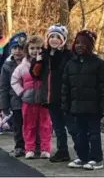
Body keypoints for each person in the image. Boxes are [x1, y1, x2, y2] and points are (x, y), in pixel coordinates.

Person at [30, 25, 77, 162]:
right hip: (50, 97)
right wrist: (38, 61)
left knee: (72, 126)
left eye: (58, 37)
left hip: (65, 97)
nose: (54, 40)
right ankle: (62, 151)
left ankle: (82, 151)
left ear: (63, 40)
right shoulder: (44, 55)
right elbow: (35, 74)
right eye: (52, 37)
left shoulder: (68, 56)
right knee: (57, 126)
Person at [61, 30, 104, 170]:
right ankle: (82, 157)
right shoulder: (70, 64)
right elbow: (65, 87)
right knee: (80, 134)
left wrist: (102, 107)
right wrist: (65, 106)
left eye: (83, 43)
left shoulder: (98, 64)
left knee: (94, 134)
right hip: (76, 107)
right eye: (77, 42)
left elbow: (103, 87)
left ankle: (96, 158)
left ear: (90, 45)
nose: (80, 46)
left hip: (94, 108)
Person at [11, 36, 52, 159]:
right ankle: (30, 148)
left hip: (44, 100)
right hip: (28, 100)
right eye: (32, 48)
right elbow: (14, 80)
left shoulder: (46, 64)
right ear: (27, 50)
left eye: (38, 48)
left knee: (45, 125)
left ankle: (45, 149)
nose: (35, 51)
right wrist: (22, 92)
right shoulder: (23, 66)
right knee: (29, 125)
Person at [0, 32, 27, 157]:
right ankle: (20, 146)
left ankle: (33, 145)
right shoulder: (7, 66)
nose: (17, 51)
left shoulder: (29, 64)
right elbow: (3, 87)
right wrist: (4, 105)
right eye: (15, 48)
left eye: (21, 48)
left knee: (30, 124)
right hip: (15, 101)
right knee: (18, 125)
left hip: (29, 100)